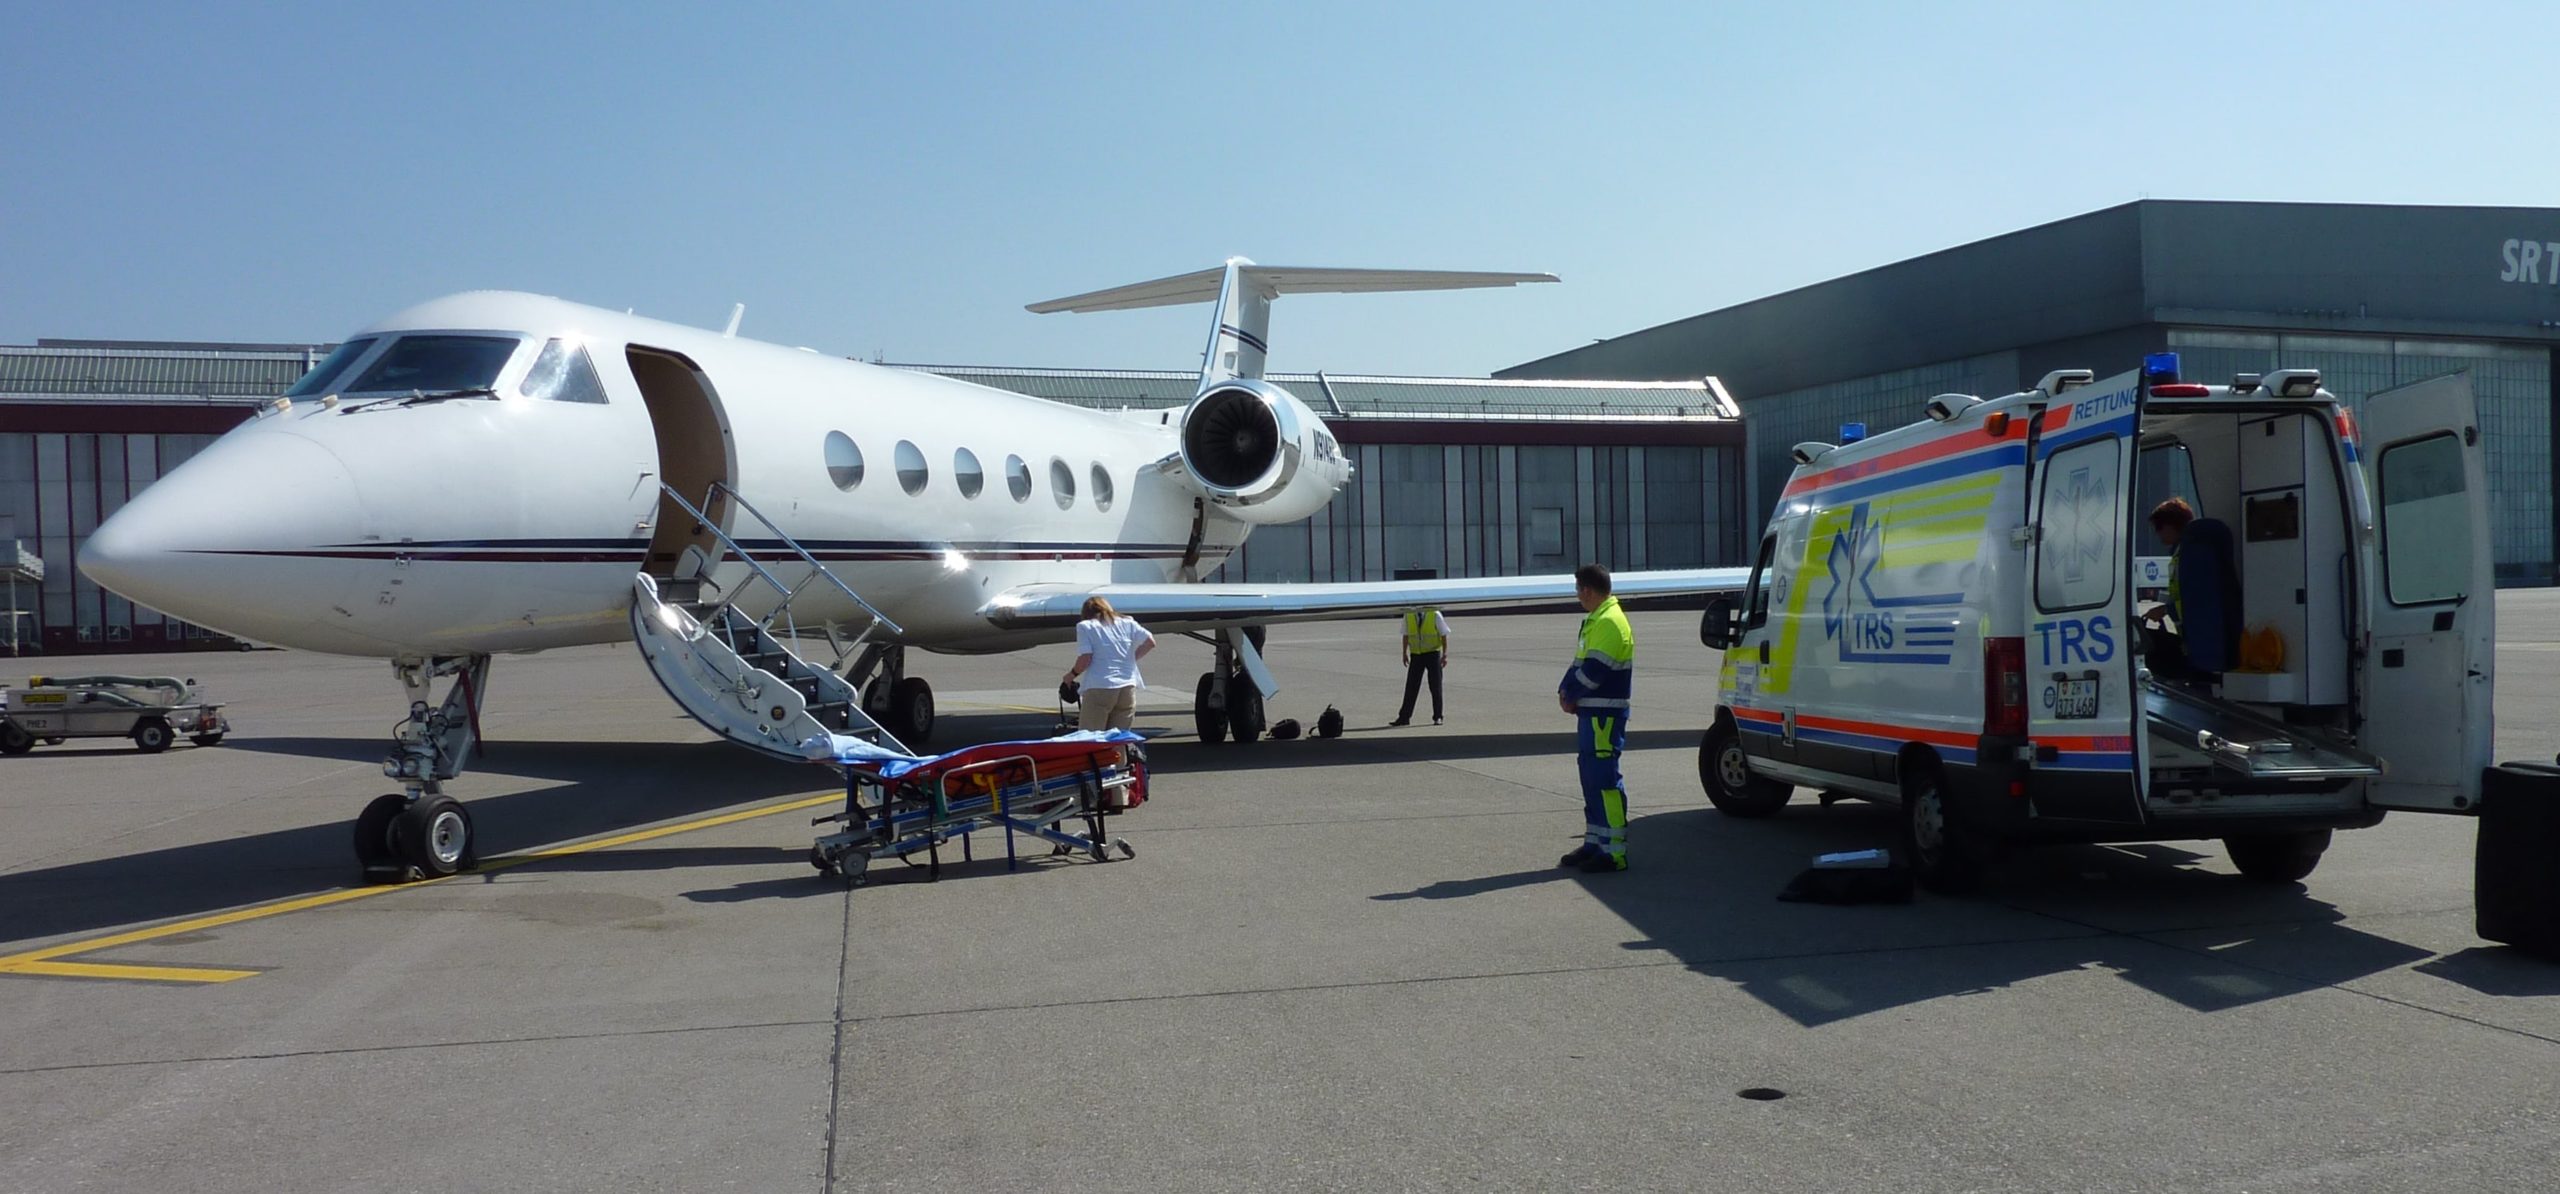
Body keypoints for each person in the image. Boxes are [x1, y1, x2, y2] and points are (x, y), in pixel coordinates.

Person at [1556, 564, 1634, 873]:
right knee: (1591, 777)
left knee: (1604, 780)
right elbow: (1580, 663)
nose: (1577, 596)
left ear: (1588, 589)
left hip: (1604, 713)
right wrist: (1565, 690)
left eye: (1578, 590)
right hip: (1592, 711)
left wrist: (1571, 694)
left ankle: (1614, 852)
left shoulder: (1610, 622)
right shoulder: (1597, 620)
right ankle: (1595, 842)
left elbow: (1595, 671)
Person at [2139, 498, 2240, 680]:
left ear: (2170, 526)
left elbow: (2196, 597)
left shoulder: (2193, 550)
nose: (2158, 534)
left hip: (2204, 641)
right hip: (2198, 637)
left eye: (2159, 528)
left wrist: (2165, 609)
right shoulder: (2184, 551)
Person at [1064, 596, 1154, 731]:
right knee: (1118, 738)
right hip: (1127, 686)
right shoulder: (1128, 622)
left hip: (1100, 685)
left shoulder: (1086, 626)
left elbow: (1086, 658)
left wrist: (1071, 675)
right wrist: (1130, 659)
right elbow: (1150, 642)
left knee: (1091, 736)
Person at [1388, 606, 1450, 726]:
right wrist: (1404, 653)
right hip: (1416, 654)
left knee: (1435, 686)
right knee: (1411, 687)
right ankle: (1404, 717)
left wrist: (1445, 654)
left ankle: (1438, 716)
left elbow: (1444, 634)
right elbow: (1405, 634)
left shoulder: (1434, 614)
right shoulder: (1409, 615)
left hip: (1432, 653)